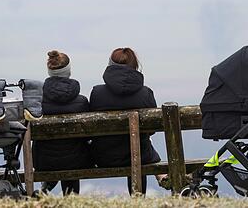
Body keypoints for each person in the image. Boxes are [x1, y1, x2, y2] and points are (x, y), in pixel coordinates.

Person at [89, 47, 160, 195]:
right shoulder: (145, 93)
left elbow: (92, 129)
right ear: (135, 66)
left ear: (110, 65)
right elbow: (152, 129)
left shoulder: (97, 93)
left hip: (104, 157)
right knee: (141, 147)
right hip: (140, 157)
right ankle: (139, 197)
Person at [32, 50, 92, 195]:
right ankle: (71, 199)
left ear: (49, 71)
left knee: (60, 151)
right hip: (77, 161)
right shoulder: (82, 102)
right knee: (72, 150)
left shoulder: (38, 103)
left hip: (44, 162)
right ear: (68, 71)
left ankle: (46, 189)